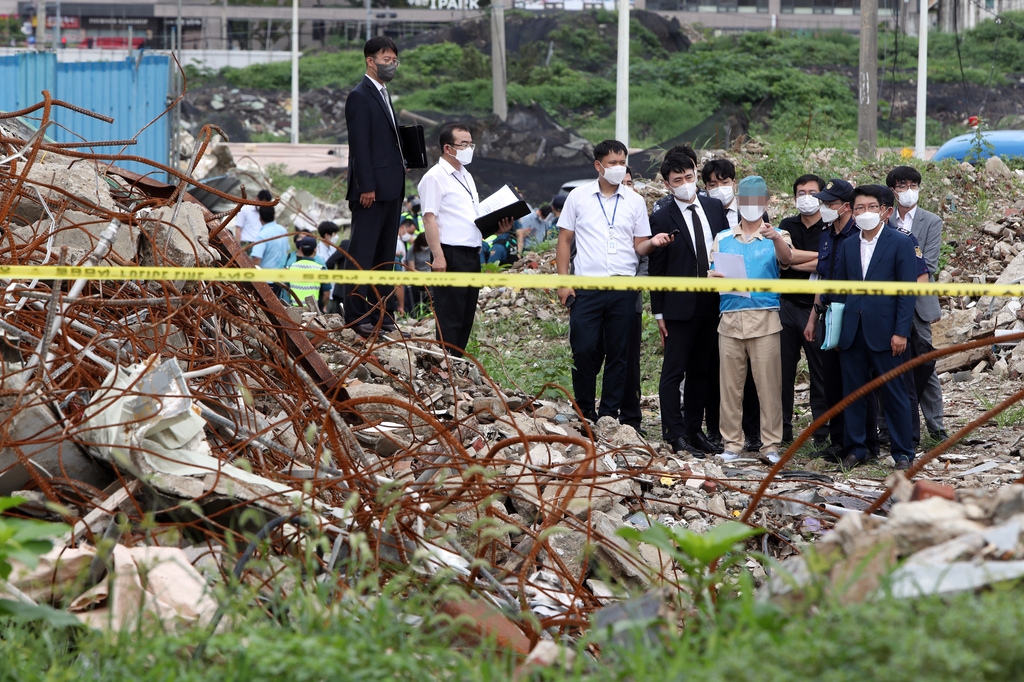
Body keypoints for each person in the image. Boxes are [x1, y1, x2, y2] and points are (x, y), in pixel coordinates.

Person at [556, 139, 674, 422]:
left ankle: (609, 414)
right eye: (613, 163)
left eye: (622, 163)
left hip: (623, 286)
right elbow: (564, 240)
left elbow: (639, 245)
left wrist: (654, 242)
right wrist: (563, 282)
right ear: (598, 166)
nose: (619, 168)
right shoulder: (578, 197)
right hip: (587, 286)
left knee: (619, 354)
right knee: (583, 350)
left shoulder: (634, 200)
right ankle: (585, 411)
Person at [818, 185, 918, 471]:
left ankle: (902, 453)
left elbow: (906, 292)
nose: (864, 213)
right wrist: (834, 326)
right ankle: (858, 448)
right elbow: (840, 288)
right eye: (859, 208)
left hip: (887, 333)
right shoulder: (849, 244)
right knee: (854, 393)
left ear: (885, 211)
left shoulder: (899, 243)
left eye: (871, 207)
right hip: (852, 331)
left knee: (894, 393)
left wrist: (900, 331)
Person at [649, 150, 730, 457]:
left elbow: (723, 245)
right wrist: (659, 312)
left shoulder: (712, 206)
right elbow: (656, 269)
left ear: (696, 174)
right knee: (674, 371)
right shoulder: (661, 216)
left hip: (712, 302)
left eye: (689, 177)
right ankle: (674, 432)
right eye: (677, 180)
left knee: (702, 370)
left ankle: (695, 430)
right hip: (678, 306)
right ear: (668, 184)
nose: (685, 184)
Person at [708, 176, 793, 464]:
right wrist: (711, 276)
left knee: (768, 385)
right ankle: (732, 443)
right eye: (746, 200)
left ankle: (770, 445)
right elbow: (711, 271)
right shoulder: (722, 237)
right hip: (730, 317)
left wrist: (776, 238)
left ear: (766, 202)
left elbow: (787, 260)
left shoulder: (777, 235)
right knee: (730, 386)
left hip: (765, 317)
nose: (751, 206)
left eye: (757, 200)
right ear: (738, 202)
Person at [419, 123, 511, 357]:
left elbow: (468, 219)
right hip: (449, 252)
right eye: (464, 144)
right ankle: (445, 365)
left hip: (471, 252)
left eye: (471, 143)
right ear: (448, 148)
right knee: (450, 313)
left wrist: (495, 229)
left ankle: (456, 361)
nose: (469, 148)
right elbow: (429, 219)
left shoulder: (465, 175)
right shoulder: (435, 177)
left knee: (465, 313)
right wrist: (438, 256)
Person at [341, 36, 406, 338]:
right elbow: (360, 146)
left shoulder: (383, 93)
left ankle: (384, 311)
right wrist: (366, 185)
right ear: (370, 60)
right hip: (371, 190)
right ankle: (355, 315)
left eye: (394, 60)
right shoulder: (360, 95)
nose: (391, 64)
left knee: (385, 254)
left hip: (391, 187)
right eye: (387, 59)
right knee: (363, 253)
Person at [886, 165, 948, 442]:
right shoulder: (883, 218)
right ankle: (888, 427)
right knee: (888, 362)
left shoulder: (930, 221)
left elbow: (931, 263)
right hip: (887, 304)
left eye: (913, 185)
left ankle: (936, 426)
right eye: (902, 186)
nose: (908, 191)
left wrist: (893, 271)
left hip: (919, 304)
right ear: (892, 191)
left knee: (924, 363)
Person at [777, 174, 835, 450]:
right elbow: (782, 258)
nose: (807, 197)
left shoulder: (830, 226)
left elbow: (829, 262)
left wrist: (796, 259)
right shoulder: (786, 225)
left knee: (820, 373)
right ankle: (782, 430)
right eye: (801, 192)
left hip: (817, 309)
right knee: (782, 372)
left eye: (813, 192)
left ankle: (821, 432)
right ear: (794, 197)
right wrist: (814, 259)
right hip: (785, 306)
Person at [803, 178, 859, 461]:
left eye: (830, 203)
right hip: (828, 316)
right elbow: (822, 280)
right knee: (832, 383)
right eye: (823, 203)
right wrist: (813, 319)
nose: (824, 207)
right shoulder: (827, 235)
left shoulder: (859, 235)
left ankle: (857, 444)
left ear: (846, 206)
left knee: (854, 383)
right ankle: (837, 442)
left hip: (851, 316)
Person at [619, 168, 646, 435]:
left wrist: (635, 284)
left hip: (629, 300)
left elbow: (645, 258)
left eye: (630, 183)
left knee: (629, 360)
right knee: (592, 354)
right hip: (595, 299)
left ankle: (630, 419)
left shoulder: (638, 214)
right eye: (622, 183)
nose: (627, 187)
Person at [250, 204, 290, 296]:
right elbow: (287, 252)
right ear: (274, 215)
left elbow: (256, 259)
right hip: (281, 279)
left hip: (266, 281)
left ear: (260, 218)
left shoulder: (262, 235)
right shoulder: (283, 231)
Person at [285, 235, 329, 307]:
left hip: (295, 310)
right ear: (315, 249)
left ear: (301, 249)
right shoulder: (320, 269)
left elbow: (287, 290)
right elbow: (326, 295)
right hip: (314, 311)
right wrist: (323, 307)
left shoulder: (291, 267)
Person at [702, 158, 739, 229]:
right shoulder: (702, 213)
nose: (720, 188)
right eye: (713, 185)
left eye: (725, 183)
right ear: (706, 189)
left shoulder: (747, 211)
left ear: (734, 184)